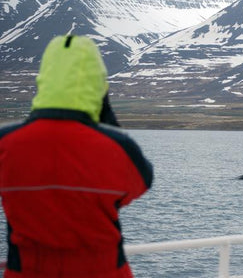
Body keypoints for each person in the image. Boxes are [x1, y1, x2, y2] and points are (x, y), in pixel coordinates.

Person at [0, 35, 153, 277]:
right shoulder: (119, 146)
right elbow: (140, 184)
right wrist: (106, 117)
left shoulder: (5, 144)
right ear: (99, 87)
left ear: (44, 81)